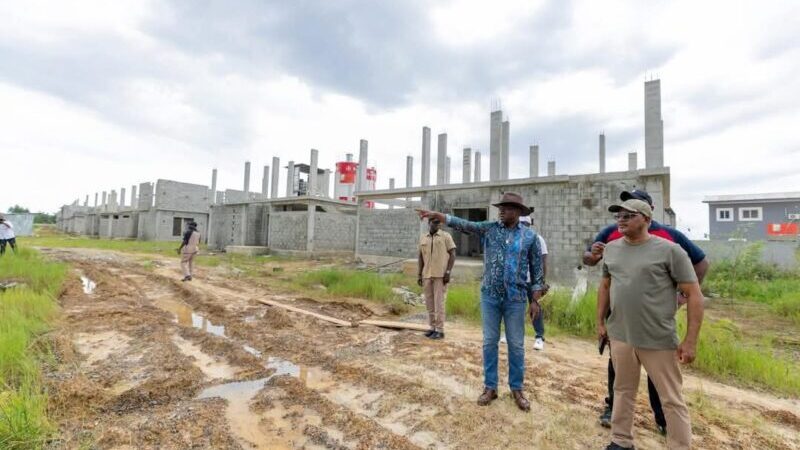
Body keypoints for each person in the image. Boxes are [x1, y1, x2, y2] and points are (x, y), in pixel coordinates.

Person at [584, 189, 709, 433]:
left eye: (630, 212)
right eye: (619, 213)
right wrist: (600, 321)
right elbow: (600, 275)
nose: (621, 218)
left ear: (648, 213)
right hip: (621, 332)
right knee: (621, 386)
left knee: (667, 392)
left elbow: (698, 275)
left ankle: (664, 423)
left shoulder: (670, 241)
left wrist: (680, 298)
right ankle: (620, 437)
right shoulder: (612, 240)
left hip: (656, 334)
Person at [417, 192, 544, 412]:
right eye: (500, 207)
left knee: (515, 344)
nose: (501, 211)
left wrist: (535, 300)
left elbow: (537, 272)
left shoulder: (530, 238)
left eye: (507, 208)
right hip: (490, 297)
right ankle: (490, 387)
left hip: (515, 299)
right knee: (489, 342)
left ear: (518, 212)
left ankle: (517, 389)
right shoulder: (490, 229)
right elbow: (465, 224)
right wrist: (441, 215)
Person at [417, 217, 456, 340]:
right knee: (429, 303)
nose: (438, 225)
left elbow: (453, 254)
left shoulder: (446, 236)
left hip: (440, 275)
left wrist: (448, 272)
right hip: (427, 275)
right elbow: (420, 257)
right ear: (429, 223)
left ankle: (440, 330)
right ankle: (432, 328)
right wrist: (419, 274)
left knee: (439, 303)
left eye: (439, 223)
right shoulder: (423, 238)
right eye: (435, 223)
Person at [519, 214, 549, 351]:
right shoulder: (514, 238)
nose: (522, 227)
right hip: (517, 280)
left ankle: (539, 337)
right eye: (520, 224)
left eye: (525, 224)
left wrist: (541, 282)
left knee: (535, 308)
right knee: (514, 309)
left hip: (533, 282)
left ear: (529, 225)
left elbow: (543, 261)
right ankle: (511, 334)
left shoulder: (538, 239)